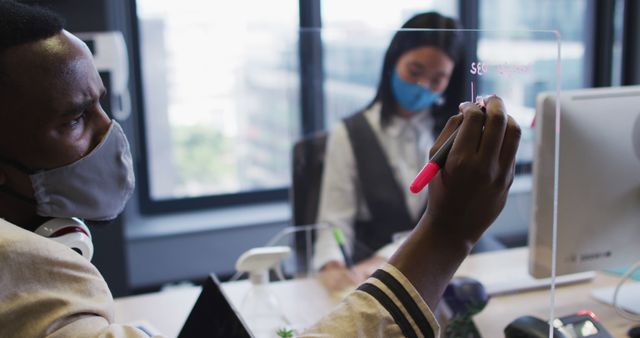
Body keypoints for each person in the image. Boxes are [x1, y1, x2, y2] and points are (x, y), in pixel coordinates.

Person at [0, 2, 521, 337]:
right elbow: (330, 236)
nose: (110, 133)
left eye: (102, 106)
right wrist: (448, 232)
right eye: (73, 118)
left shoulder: (446, 132)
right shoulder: (25, 275)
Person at [313, 12, 470, 287]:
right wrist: (333, 265)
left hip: (441, 275)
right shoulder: (349, 134)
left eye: (437, 79)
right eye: (415, 71)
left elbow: (458, 219)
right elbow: (334, 223)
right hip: (372, 280)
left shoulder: (456, 133)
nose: (423, 87)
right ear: (393, 61)